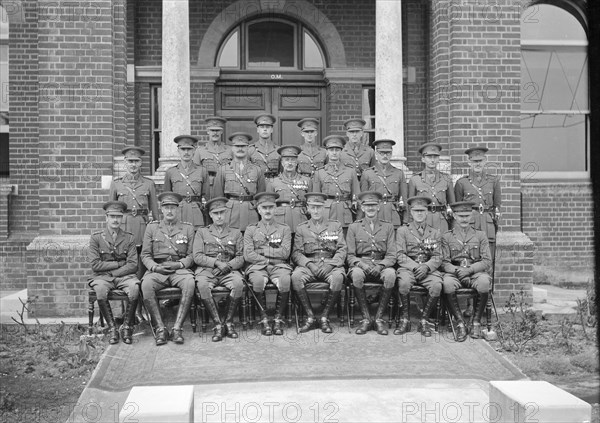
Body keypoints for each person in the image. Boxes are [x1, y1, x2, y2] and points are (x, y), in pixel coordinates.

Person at [140, 192, 196, 346]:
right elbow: (145, 255)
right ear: (162, 209)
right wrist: (155, 267)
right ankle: (160, 328)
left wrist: (179, 265)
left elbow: (192, 255)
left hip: (179, 269)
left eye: (173, 207)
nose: (170, 211)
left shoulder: (187, 228)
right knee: (146, 285)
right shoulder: (152, 228)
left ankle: (177, 329)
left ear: (177, 209)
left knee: (190, 283)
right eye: (166, 208)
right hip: (158, 269)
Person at [454, 146, 501, 317]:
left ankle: (486, 304)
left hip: (487, 226)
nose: (477, 164)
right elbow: (458, 210)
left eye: (480, 161)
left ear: (485, 161)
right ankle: (469, 305)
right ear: (469, 163)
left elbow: (497, 208)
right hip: (470, 227)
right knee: (469, 261)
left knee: (488, 264)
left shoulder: (493, 181)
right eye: (474, 161)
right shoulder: (462, 183)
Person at [291, 192, 347, 333]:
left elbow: (342, 249)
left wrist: (330, 265)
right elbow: (297, 253)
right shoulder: (302, 228)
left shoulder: (335, 226)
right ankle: (310, 317)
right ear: (307, 208)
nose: (316, 211)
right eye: (312, 207)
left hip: (330, 264)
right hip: (309, 265)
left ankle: (324, 317)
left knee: (338, 277)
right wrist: (309, 264)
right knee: (296, 277)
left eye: (319, 207)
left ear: (324, 208)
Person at [88, 201, 140, 344]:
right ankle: (113, 329)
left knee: (135, 287)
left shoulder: (129, 238)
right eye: (112, 216)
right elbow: (95, 265)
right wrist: (118, 264)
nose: (116, 220)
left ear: (122, 218)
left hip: (124, 276)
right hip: (102, 278)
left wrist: (113, 273)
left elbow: (133, 265)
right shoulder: (96, 238)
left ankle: (127, 327)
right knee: (99, 289)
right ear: (106, 218)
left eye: (118, 216)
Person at [193, 197, 245, 342]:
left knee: (238, 284)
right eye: (216, 213)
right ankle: (217, 324)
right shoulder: (202, 232)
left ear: (226, 213)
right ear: (210, 215)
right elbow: (197, 256)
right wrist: (216, 263)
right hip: (208, 270)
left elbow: (241, 257)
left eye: (222, 212)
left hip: (229, 270)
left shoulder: (236, 233)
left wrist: (227, 266)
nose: (220, 216)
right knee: (202, 285)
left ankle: (228, 322)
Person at [346, 191, 397, 335]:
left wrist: (381, 266)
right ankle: (366, 318)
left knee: (391, 275)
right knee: (356, 274)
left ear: (379, 206)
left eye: (373, 205)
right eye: (367, 205)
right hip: (361, 264)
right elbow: (350, 255)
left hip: (382, 263)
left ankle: (379, 319)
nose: (370, 208)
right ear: (362, 208)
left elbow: (392, 254)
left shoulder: (388, 227)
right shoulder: (354, 227)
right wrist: (362, 265)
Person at [441, 201, 492, 341]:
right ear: (455, 216)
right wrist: (458, 271)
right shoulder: (447, 236)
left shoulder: (480, 235)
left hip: (474, 271)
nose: (464, 219)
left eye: (467, 215)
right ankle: (460, 323)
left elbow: (487, 260)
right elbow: (444, 262)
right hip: (455, 272)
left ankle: (475, 322)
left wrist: (469, 270)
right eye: (460, 215)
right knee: (447, 284)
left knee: (484, 283)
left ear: (471, 216)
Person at [244, 192, 292, 336]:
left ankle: (278, 319)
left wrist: (262, 250)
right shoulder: (251, 229)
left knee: (285, 280)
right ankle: (264, 319)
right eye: (264, 208)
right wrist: (269, 258)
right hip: (258, 267)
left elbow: (285, 253)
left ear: (275, 209)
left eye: (270, 207)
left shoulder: (284, 229)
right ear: (258, 210)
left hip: (279, 266)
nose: (267, 211)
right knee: (257, 281)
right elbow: (248, 254)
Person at [395, 196, 443, 337]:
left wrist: (426, 267)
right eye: (416, 211)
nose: (419, 214)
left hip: (428, 269)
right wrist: (416, 267)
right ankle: (405, 319)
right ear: (411, 213)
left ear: (427, 212)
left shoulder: (435, 232)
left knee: (436, 286)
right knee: (403, 283)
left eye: (422, 210)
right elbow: (400, 254)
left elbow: (438, 256)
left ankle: (424, 320)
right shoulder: (403, 231)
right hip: (409, 268)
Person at [213, 132, 266, 231]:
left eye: (243, 146)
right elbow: (218, 197)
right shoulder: (223, 169)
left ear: (248, 148)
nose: (240, 149)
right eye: (237, 146)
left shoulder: (257, 169)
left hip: (250, 212)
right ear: (232, 148)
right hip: (230, 212)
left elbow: (261, 195)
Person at [109, 147, 159, 250]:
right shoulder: (116, 184)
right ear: (125, 162)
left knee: (142, 255)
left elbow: (155, 212)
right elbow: (111, 211)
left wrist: (156, 231)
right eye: (130, 161)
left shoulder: (149, 184)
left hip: (142, 226)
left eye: (136, 161)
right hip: (122, 227)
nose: (133, 164)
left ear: (141, 163)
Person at [311, 135, 360, 232]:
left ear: (341, 151)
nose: (334, 153)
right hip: (327, 214)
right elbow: (316, 199)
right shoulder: (319, 172)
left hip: (345, 213)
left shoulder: (350, 171)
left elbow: (357, 197)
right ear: (327, 152)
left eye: (337, 150)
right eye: (331, 150)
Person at [163, 135, 209, 229]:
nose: (186, 152)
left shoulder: (202, 171)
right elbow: (167, 198)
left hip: (196, 213)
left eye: (189, 149)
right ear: (178, 150)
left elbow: (207, 196)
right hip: (177, 214)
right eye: (183, 149)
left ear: (194, 150)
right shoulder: (171, 172)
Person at [408, 143, 455, 233]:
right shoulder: (415, 179)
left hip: (442, 221)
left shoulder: (446, 179)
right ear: (423, 159)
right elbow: (410, 206)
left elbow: (452, 205)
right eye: (429, 157)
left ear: (438, 159)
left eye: (435, 157)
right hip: (423, 220)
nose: (432, 160)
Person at [360, 139, 408, 228]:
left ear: (391, 154)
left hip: (393, 215)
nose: (385, 156)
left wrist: (406, 221)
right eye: (382, 153)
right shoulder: (367, 173)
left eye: (388, 153)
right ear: (376, 154)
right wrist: (360, 220)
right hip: (374, 215)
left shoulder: (399, 173)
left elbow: (404, 199)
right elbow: (363, 199)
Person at [267, 145, 310, 235]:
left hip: (301, 220)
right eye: (286, 160)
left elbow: (311, 202)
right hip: (280, 222)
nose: (289, 163)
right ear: (282, 162)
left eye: (292, 160)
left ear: (297, 162)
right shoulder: (273, 182)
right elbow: (269, 204)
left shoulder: (306, 181)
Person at [193, 116, 231, 196]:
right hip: (209, 189)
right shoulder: (200, 151)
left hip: (226, 188)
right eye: (212, 130)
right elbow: (196, 174)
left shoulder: (230, 150)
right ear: (208, 131)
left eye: (217, 130)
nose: (215, 133)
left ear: (222, 131)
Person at [250, 113, 280, 180]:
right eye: (262, 127)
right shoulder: (251, 150)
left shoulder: (278, 150)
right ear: (257, 129)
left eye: (267, 127)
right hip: (257, 186)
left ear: (272, 129)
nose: (265, 129)